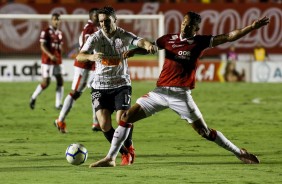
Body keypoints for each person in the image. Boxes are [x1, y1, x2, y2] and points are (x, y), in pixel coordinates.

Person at [89, 12, 270, 167]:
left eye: (190, 25)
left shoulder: (200, 42)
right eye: (184, 23)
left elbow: (229, 36)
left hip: (181, 95)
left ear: (196, 29)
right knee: (126, 118)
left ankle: (239, 152)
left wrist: (251, 27)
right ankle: (110, 157)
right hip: (159, 93)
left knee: (204, 132)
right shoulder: (168, 39)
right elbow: (152, 46)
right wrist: (135, 51)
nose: (185, 27)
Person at [76, 6, 157, 166]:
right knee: (104, 124)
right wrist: (91, 56)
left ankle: (129, 146)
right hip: (100, 85)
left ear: (115, 20)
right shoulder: (95, 37)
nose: (104, 24)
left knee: (123, 119)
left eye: (107, 21)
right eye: (101, 22)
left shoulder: (123, 35)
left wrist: (147, 45)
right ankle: (124, 152)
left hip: (121, 84)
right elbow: (80, 56)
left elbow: (139, 41)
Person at [54, 8, 100, 133]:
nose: (99, 17)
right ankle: (60, 120)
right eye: (96, 15)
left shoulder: (95, 28)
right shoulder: (90, 28)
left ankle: (96, 122)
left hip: (92, 65)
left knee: (97, 91)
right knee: (75, 93)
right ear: (91, 16)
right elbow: (87, 48)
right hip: (83, 65)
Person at [29, 13, 64, 110]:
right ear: (51, 20)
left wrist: (60, 54)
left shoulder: (60, 33)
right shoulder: (46, 31)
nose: (57, 21)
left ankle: (58, 104)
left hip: (57, 61)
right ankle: (33, 97)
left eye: (58, 19)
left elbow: (59, 47)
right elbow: (42, 46)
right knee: (46, 82)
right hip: (47, 61)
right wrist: (50, 55)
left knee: (60, 80)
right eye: (55, 19)